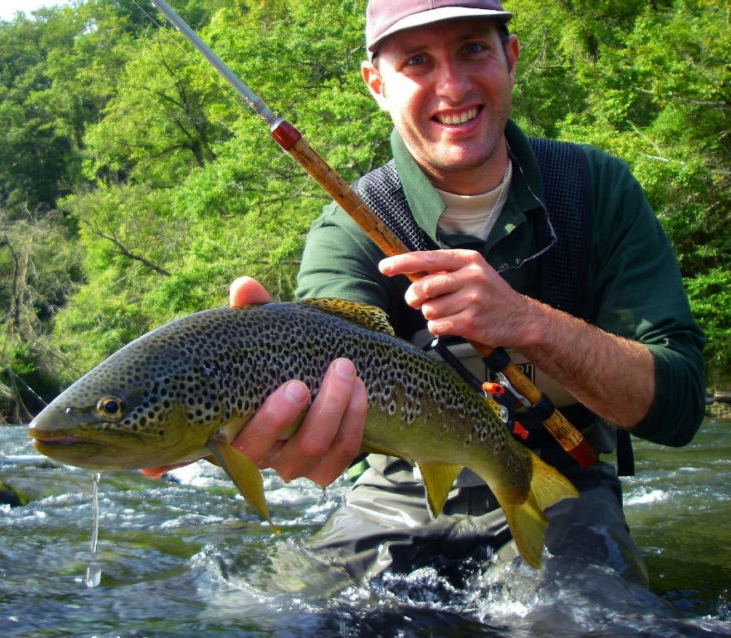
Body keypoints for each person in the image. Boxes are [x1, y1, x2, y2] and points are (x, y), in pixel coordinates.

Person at [224, 0, 706, 587]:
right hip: (395, 486)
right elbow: (325, 417)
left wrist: (529, 322)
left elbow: (679, 407)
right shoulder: (346, 230)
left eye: (473, 49)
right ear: (377, 85)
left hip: (565, 480)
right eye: (418, 61)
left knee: (584, 621)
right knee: (277, 616)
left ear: (511, 57)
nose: (452, 86)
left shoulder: (596, 191)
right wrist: (258, 404)